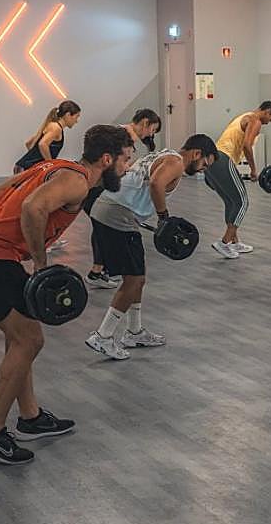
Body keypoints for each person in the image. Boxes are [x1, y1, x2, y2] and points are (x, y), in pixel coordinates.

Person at [0, 124, 133, 465]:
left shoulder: (52, 167)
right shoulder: (77, 180)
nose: (128, 166)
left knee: (22, 337)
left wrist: (4, 236)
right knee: (29, 341)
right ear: (107, 159)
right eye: (125, 159)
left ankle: (30, 417)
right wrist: (40, 262)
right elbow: (33, 208)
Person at [85, 134, 218, 360]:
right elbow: (157, 183)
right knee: (133, 280)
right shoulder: (176, 162)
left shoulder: (165, 154)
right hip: (118, 214)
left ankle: (134, 332)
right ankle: (103, 336)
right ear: (197, 154)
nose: (204, 168)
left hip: (114, 210)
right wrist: (163, 217)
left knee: (138, 277)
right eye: (205, 163)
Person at [84, 108, 163, 288]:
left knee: (101, 228)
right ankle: (97, 272)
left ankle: (100, 271)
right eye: (152, 130)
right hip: (97, 189)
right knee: (102, 227)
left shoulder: (126, 138)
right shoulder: (121, 137)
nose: (151, 135)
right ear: (145, 123)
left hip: (100, 188)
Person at [205, 101, 271, 258]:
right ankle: (224, 242)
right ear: (267, 111)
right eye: (270, 119)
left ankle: (234, 241)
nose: (267, 123)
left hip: (211, 162)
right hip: (223, 159)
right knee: (243, 202)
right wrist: (253, 169)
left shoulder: (244, 116)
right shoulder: (256, 120)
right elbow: (247, 145)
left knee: (231, 201)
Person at [14, 100, 82, 173]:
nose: (76, 121)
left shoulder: (52, 125)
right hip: (26, 169)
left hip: (22, 167)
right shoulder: (56, 128)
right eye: (76, 116)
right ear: (68, 115)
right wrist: (51, 164)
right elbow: (42, 144)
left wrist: (35, 158)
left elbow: (29, 143)